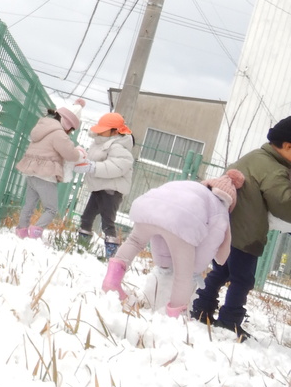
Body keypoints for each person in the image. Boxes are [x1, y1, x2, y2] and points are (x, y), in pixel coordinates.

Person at [190, 117, 291, 338]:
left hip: (227, 227)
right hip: (246, 233)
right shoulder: (274, 170)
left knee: (222, 271)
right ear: (288, 146)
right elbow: (283, 202)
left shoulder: (255, 156)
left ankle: (202, 308)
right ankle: (229, 320)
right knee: (242, 279)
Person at [101, 169, 245, 317]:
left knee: (134, 241)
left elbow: (163, 229)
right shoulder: (221, 210)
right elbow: (210, 245)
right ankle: (175, 314)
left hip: (149, 207)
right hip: (181, 222)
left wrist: (163, 263)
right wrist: (195, 268)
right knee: (184, 273)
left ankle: (112, 281)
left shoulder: (189, 186)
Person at [13, 100, 85, 238]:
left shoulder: (42, 127)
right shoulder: (58, 134)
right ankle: (35, 233)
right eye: (71, 129)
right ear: (67, 123)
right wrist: (80, 153)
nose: (69, 132)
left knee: (29, 205)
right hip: (45, 175)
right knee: (51, 209)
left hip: (31, 174)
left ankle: (21, 231)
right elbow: (71, 154)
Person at [72, 111, 135, 256]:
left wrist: (93, 167)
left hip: (112, 190)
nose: (100, 132)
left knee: (107, 222)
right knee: (87, 217)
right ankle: (81, 247)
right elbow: (92, 158)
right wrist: (82, 161)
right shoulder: (99, 143)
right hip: (99, 187)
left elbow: (118, 166)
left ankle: (111, 254)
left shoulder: (119, 146)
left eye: (104, 129)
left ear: (115, 131)